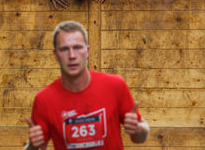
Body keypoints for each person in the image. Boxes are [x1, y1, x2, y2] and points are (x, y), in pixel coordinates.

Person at [24, 20, 149, 150]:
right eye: (64, 49)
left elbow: (140, 138)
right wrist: (32, 146)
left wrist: (138, 129)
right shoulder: (44, 99)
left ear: (87, 51)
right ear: (55, 55)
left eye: (77, 47)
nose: (72, 55)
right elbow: (37, 147)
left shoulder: (115, 85)